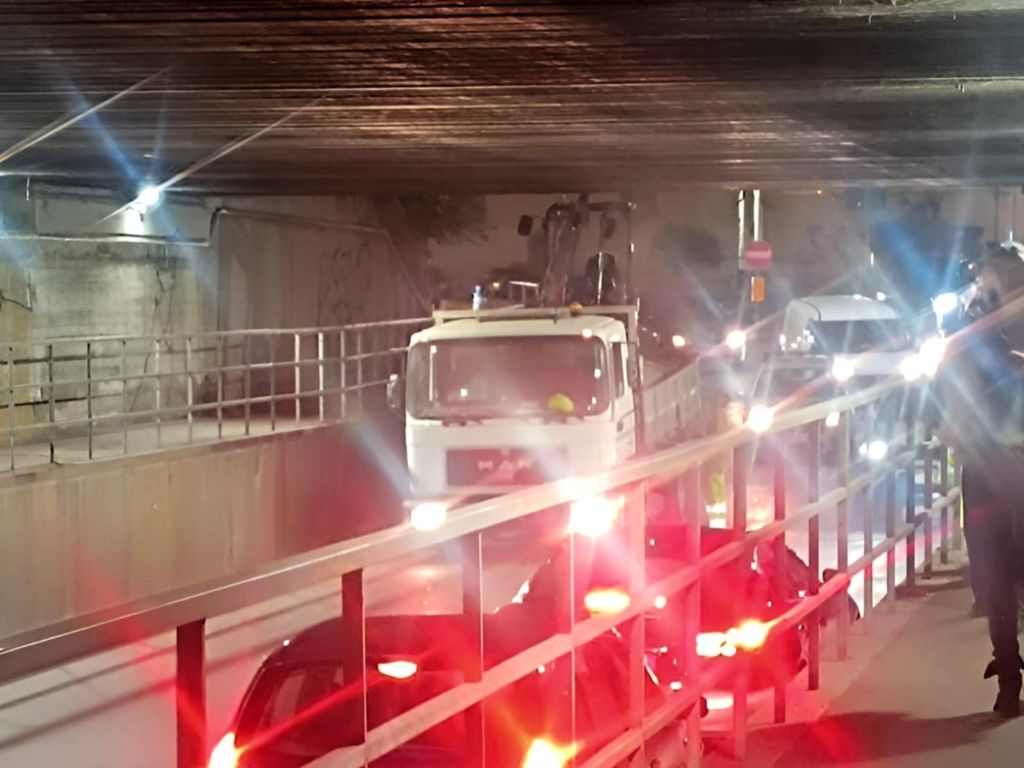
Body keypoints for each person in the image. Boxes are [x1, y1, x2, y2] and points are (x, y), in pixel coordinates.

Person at [933, 244, 1024, 717]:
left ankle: (1008, 675)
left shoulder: (965, 333)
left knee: (994, 574)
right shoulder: (974, 335)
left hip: (986, 467)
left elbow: (940, 402)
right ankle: (1008, 672)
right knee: (1005, 572)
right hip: (1004, 464)